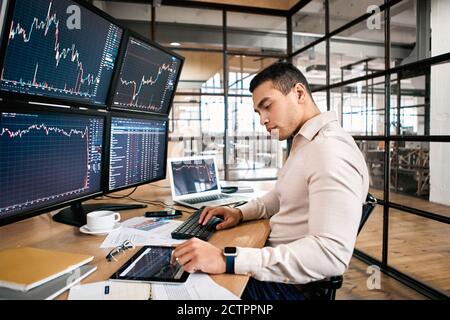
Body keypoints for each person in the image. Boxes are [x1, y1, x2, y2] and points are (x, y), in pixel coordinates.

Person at [171, 62, 369, 300]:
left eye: (268, 106)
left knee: (176, 290)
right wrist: (240, 213)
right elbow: (280, 196)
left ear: (298, 93)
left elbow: (331, 255)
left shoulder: (329, 150)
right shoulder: (306, 142)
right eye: (258, 113)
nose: (263, 120)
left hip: (286, 287)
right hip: (274, 266)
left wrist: (227, 259)